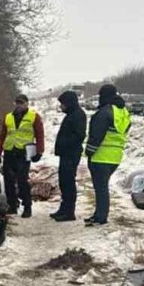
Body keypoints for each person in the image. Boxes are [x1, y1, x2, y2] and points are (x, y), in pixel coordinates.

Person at [84, 84, 130, 227]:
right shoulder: (123, 112)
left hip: (100, 156)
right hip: (115, 156)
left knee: (101, 188)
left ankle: (101, 217)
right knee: (102, 187)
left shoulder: (104, 112)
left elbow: (96, 135)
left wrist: (89, 151)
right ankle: (99, 214)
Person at [0, 94, 44, 218]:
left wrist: (39, 151)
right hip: (10, 151)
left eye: (21, 103)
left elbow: (40, 135)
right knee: (9, 181)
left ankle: (27, 207)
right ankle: (12, 206)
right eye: (17, 103)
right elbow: (2, 136)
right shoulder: (8, 117)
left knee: (22, 181)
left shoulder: (34, 117)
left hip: (24, 152)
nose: (19, 105)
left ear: (27, 103)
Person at [50, 91, 87, 222]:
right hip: (66, 154)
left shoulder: (78, 115)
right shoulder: (72, 114)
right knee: (63, 181)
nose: (61, 106)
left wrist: (64, 143)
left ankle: (69, 211)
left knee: (68, 182)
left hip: (71, 153)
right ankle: (64, 208)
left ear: (69, 103)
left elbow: (79, 136)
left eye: (63, 104)